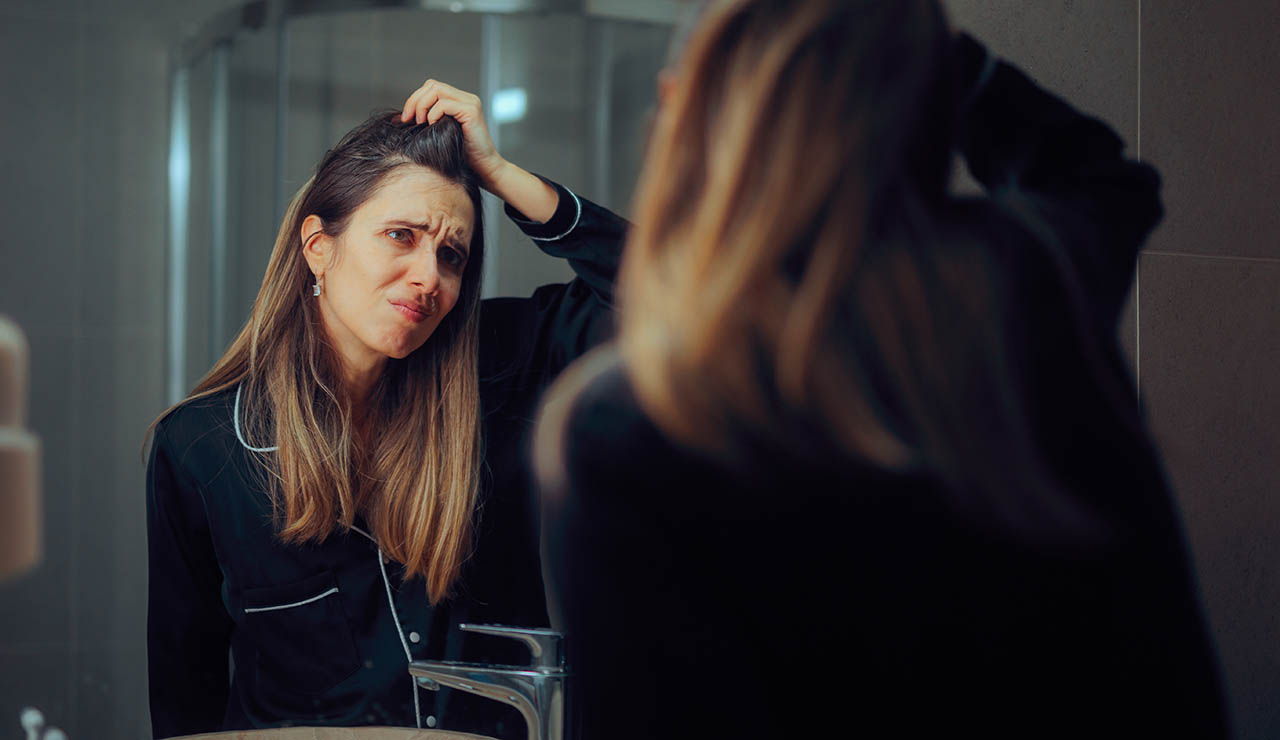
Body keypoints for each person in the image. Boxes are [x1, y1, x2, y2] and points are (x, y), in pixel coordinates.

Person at [534, 1, 1231, 738]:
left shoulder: (638, 428)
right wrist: (904, 53)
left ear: (679, 106)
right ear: (922, 96)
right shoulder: (1029, 293)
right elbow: (1103, 179)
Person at [145, 82, 623, 739]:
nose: (429, 275)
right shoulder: (201, 446)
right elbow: (184, 696)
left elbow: (668, 299)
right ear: (319, 246)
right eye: (401, 235)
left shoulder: (502, 370)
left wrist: (504, 177)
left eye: (450, 255)